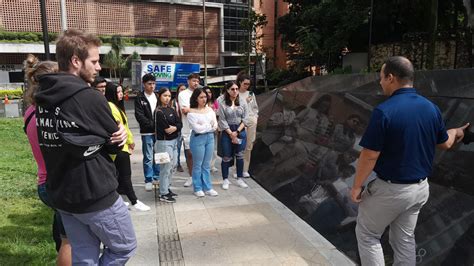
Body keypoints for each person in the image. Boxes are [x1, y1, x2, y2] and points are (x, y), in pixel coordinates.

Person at [350, 56, 468, 266]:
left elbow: (369, 154)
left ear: (391, 78)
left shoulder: (385, 111)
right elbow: (445, 143)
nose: (380, 82)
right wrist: (456, 131)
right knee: (404, 240)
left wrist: (357, 185)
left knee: (368, 234)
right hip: (420, 190)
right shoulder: (430, 108)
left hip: (391, 190)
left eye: (382, 77)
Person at [34, 29, 136, 264]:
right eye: (95, 61)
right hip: (94, 194)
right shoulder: (89, 97)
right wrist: (118, 137)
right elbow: (113, 146)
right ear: (76, 61)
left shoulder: (42, 98)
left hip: (63, 195)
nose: (99, 67)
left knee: (84, 257)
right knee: (124, 246)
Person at [23, 54, 72, 266]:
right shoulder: (50, 115)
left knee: (62, 236)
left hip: (45, 182)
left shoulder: (31, 112)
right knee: (70, 242)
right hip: (59, 184)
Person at [104, 82, 150, 211]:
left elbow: (126, 126)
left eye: (121, 92)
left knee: (119, 176)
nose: (121, 94)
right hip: (119, 146)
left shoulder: (116, 106)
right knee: (125, 176)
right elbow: (120, 127)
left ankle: (118, 200)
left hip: (123, 145)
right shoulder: (111, 106)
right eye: (118, 92)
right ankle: (134, 201)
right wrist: (129, 141)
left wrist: (130, 141)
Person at [187, 88, 219, 197]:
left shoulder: (210, 110)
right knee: (198, 164)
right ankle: (197, 187)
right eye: (201, 97)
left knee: (206, 164)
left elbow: (215, 126)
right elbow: (197, 129)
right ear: (196, 99)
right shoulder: (191, 112)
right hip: (197, 139)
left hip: (210, 138)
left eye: (205, 97)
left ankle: (208, 187)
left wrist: (205, 126)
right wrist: (208, 126)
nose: (204, 99)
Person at [217, 81, 249, 190]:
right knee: (226, 156)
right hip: (227, 131)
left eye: (236, 89)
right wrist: (231, 133)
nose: (235, 91)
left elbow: (246, 118)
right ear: (227, 90)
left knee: (240, 155)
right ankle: (225, 179)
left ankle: (240, 178)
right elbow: (222, 120)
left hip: (240, 130)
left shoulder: (243, 102)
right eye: (232, 89)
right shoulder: (222, 103)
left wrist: (237, 132)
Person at [155, 87, 182, 203]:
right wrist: (175, 127)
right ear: (160, 96)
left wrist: (175, 127)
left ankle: (167, 188)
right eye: (165, 96)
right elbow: (167, 129)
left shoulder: (172, 110)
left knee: (173, 165)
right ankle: (163, 193)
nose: (167, 98)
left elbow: (179, 124)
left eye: (169, 96)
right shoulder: (158, 112)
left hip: (174, 142)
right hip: (164, 143)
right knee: (165, 168)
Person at [135, 73, 161, 191]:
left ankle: (157, 176)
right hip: (147, 132)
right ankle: (148, 179)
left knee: (158, 155)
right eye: (149, 84)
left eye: (154, 84)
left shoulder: (157, 96)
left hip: (159, 132)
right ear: (144, 84)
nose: (152, 86)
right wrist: (152, 125)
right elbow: (139, 116)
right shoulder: (139, 98)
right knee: (148, 157)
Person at [178, 73, 201, 187]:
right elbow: (185, 111)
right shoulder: (183, 94)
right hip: (187, 128)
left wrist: (193, 110)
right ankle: (191, 176)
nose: (195, 83)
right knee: (190, 154)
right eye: (193, 80)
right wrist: (199, 111)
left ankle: (199, 176)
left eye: (197, 81)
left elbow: (205, 108)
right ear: (188, 81)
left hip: (201, 129)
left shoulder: (202, 93)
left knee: (201, 154)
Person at [237, 73, 258, 178]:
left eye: (248, 84)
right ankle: (237, 169)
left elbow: (255, 108)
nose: (246, 86)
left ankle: (245, 169)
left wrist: (255, 117)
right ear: (240, 82)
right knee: (239, 145)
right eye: (245, 83)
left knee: (249, 145)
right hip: (240, 121)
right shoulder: (235, 93)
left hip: (251, 120)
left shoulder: (250, 94)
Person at [204, 86, 219, 173]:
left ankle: (211, 165)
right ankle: (205, 165)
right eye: (206, 92)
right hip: (204, 129)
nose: (208, 94)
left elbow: (218, 113)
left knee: (214, 148)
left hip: (214, 128)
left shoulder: (215, 102)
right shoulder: (201, 103)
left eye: (209, 92)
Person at [173, 84, 186, 173]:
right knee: (177, 147)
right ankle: (177, 164)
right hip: (178, 128)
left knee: (188, 148)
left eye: (184, 90)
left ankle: (189, 163)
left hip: (186, 127)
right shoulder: (174, 102)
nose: (183, 91)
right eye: (181, 90)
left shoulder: (188, 101)